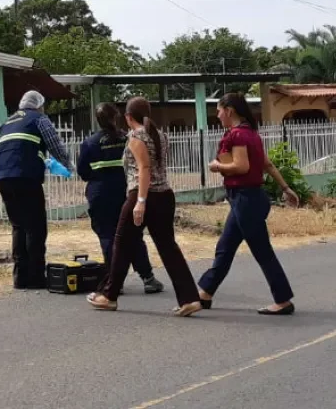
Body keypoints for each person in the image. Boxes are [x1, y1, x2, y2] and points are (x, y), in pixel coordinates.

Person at [86, 97, 202, 317]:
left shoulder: (135, 136)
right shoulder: (161, 135)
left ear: (129, 117)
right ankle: (189, 297)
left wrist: (140, 201)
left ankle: (109, 295)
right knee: (168, 247)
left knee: (121, 244)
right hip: (164, 195)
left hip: (142, 195)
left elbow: (144, 168)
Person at [198, 93, 297, 315]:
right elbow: (267, 164)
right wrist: (285, 188)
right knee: (225, 247)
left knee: (262, 251)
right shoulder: (251, 134)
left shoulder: (237, 135)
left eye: (219, 110)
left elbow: (240, 167)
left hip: (245, 199)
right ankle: (205, 293)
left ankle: (282, 301)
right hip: (250, 199)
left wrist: (217, 166)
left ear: (230, 111)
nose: (218, 115)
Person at [78, 103, 164, 294]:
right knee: (133, 235)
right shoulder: (128, 138)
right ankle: (148, 278)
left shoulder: (90, 143)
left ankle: (115, 281)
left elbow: (82, 171)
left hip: (99, 194)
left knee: (107, 236)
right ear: (115, 117)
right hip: (125, 192)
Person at [0, 90, 73, 289]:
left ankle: (20, 278)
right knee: (35, 227)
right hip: (26, 177)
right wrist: (70, 166)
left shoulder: (7, 122)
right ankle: (37, 277)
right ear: (39, 105)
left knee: (18, 226)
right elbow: (55, 145)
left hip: (4, 178)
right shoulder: (40, 119)